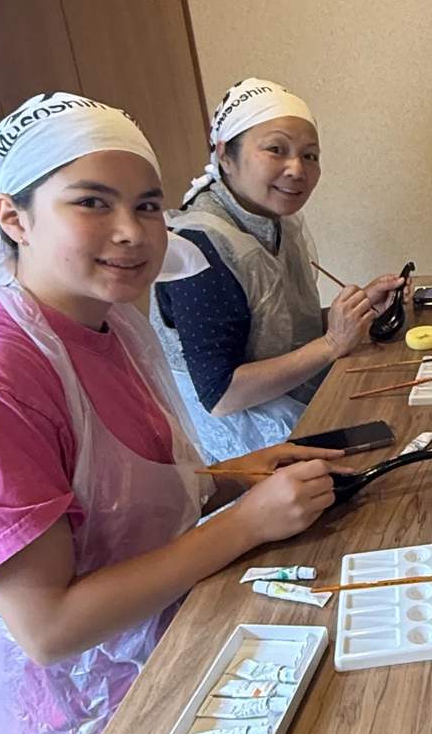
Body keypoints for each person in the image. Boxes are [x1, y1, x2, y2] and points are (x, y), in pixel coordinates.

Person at [0, 92, 343, 734]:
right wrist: (243, 523)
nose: (132, 232)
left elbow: (111, 500)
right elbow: (49, 627)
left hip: (173, 631)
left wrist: (227, 478)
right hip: (86, 723)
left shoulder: (111, 322)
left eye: (145, 205)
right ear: (12, 216)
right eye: (92, 203)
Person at [151, 78, 410, 461]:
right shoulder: (197, 247)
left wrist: (357, 313)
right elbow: (221, 395)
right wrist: (333, 343)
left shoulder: (275, 219)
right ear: (225, 155)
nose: (297, 169)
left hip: (296, 405)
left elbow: (279, 329)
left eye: (310, 155)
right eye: (276, 149)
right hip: (240, 454)